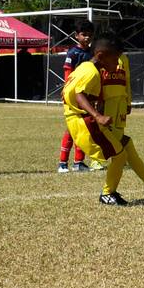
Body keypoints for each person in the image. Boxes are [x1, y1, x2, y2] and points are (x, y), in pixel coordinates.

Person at [62, 34, 144, 206]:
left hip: (83, 119)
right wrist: (98, 115)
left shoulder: (84, 67)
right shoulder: (92, 73)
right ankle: (107, 193)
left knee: (125, 142)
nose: (117, 63)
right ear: (101, 56)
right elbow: (80, 95)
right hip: (84, 123)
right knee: (119, 156)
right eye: (115, 59)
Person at [58, 20, 102, 173]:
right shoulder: (73, 53)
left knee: (83, 130)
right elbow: (68, 75)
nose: (87, 38)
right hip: (73, 97)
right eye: (84, 35)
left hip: (85, 97)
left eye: (90, 35)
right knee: (71, 130)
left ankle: (78, 162)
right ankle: (63, 163)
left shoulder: (92, 53)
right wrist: (66, 91)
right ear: (76, 36)